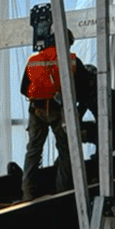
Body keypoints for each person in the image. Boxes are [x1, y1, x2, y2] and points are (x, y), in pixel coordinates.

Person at [20, 42, 80, 200]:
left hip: (37, 109)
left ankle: (27, 191)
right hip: (59, 110)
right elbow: (81, 88)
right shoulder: (71, 60)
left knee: (33, 149)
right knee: (65, 148)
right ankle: (63, 190)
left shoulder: (34, 60)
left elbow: (23, 88)